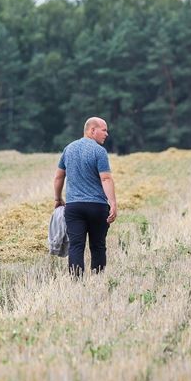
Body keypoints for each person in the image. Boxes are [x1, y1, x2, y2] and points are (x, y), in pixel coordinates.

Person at [53, 117, 117, 277]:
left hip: (74, 207)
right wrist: (113, 204)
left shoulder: (69, 149)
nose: (107, 134)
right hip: (97, 207)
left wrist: (57, 198)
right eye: (104, 130)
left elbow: (59, 177)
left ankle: (76, 282)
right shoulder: (99, 151)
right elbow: (106, 178)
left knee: (76, 246)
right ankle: (98, 279)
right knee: (98, 246)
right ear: (92, 130)